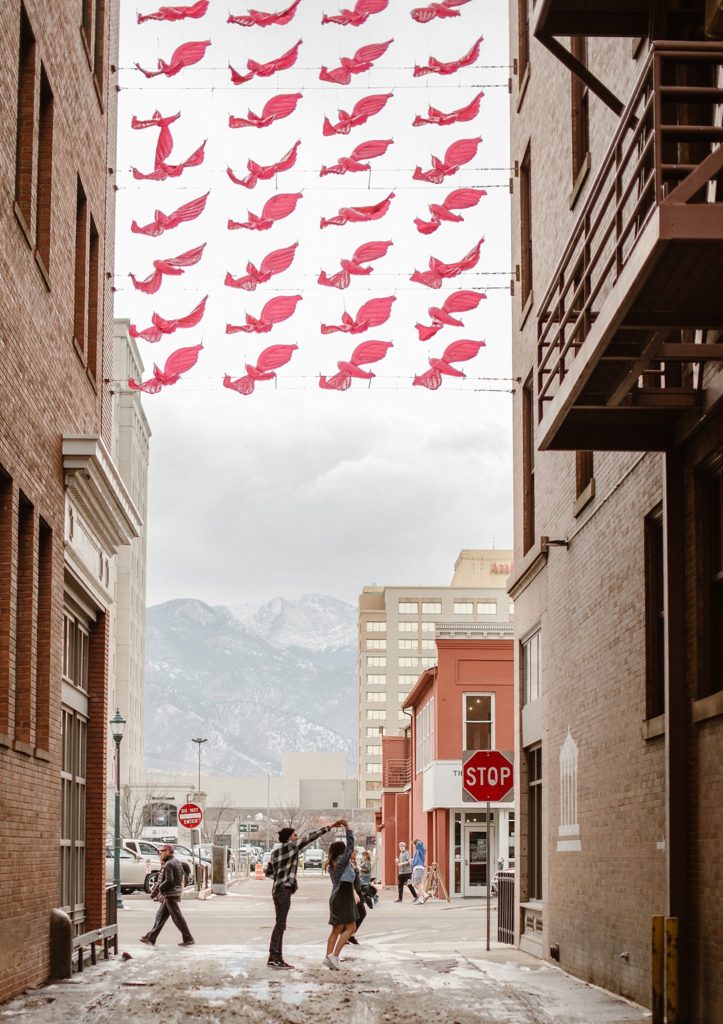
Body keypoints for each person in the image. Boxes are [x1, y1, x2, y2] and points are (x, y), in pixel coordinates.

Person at [265, 818, 346, 970]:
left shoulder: (275, 853)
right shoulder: (291, 847)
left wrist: (280, 878)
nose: (297, 837)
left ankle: (277, 957)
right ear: (290, 838)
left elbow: (268, 872)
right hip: (283, 890)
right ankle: (274, 957)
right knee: (280, 925)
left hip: (277, 889)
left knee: (280, 924)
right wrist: (330, 827)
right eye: (295, 835)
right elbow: (310, 837)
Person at [139, 844, 194, 947]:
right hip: (173, 893)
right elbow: (183, 873)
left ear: (168, 852)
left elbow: (169, 880)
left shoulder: (169, 863)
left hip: (170, 894)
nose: (160, 853)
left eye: (162, 851)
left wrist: (160, 887)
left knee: (177, 918)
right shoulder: (176, 861)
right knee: (160, 916)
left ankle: (188, 938)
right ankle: (151, 938)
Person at [324, 825, 357, 970]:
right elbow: (350, 847)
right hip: (343, 896)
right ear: (341, 851)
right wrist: (347, 828)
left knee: (336, 929)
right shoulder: (341, 861)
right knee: (351, 928)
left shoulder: (333, 863)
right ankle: (334, 956)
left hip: (337, 896)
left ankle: (328, 958)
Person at [410, 839, 427, 903]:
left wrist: (417, 842)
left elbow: (419, 843)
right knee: (414, 884)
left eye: (414, 845)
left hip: (419, 868)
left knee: (417, 884)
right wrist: (412, 861)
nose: (414, 846)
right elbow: (416, 860)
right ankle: (425, 895)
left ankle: (421, 899)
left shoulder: (421, 849)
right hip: (416, 869)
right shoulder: (418, 851)